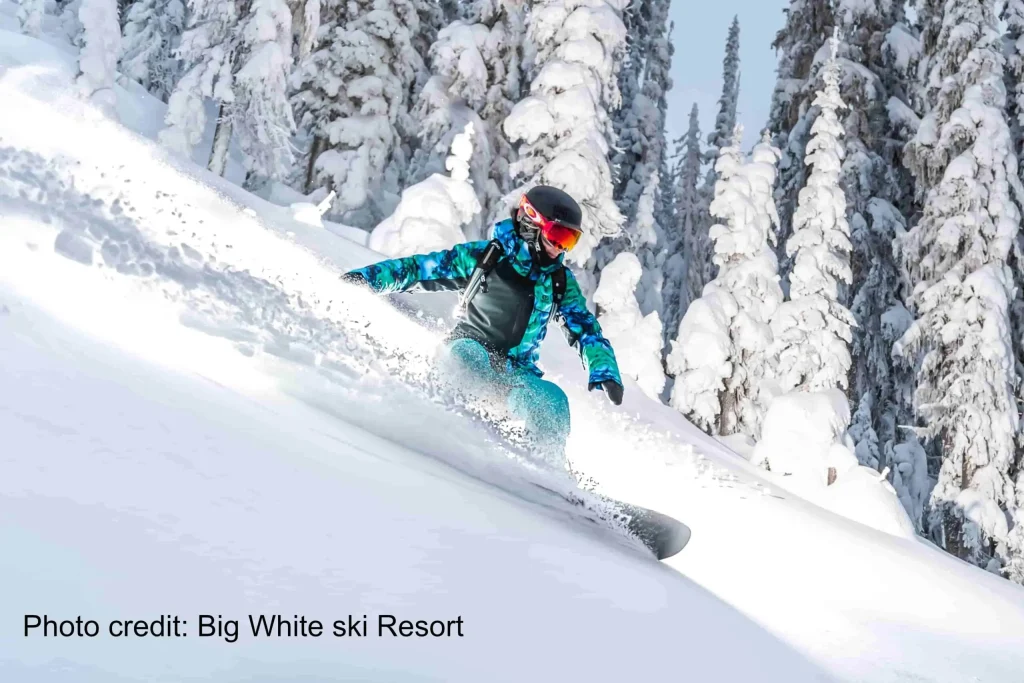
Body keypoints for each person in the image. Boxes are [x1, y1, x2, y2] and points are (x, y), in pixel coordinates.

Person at [342, 185, 624, 459]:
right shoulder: (485, 258)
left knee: (552, 401)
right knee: (470, 357)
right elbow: (417, 270)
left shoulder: (558, 281)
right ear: (531, 224)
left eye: (569, 241)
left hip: (516, 373)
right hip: (466, 349)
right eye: (557, 236)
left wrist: (604, 369)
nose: (560, 249)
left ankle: (545, 470)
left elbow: (585, 328)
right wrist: (364, 280)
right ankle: (448, 431)